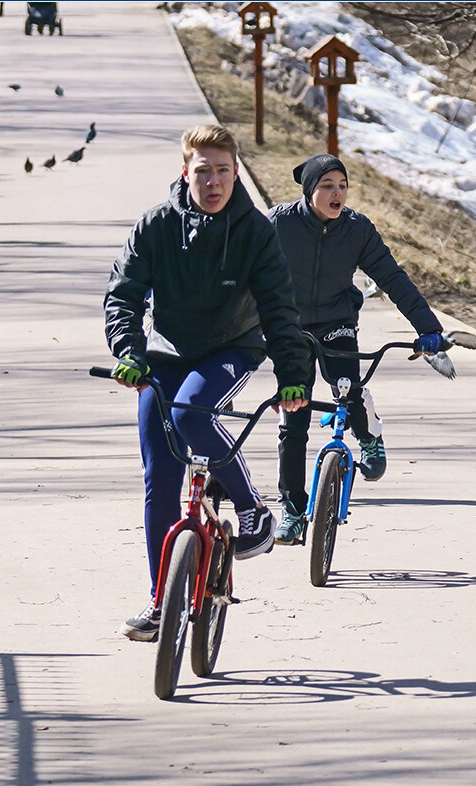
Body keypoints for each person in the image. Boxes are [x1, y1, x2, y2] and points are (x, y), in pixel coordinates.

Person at [104, 124, 311, 641]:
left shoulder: (256, 232)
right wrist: (129, 352)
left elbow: (280, 311)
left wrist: (292, 378)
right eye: (203, 171)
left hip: (231, 347)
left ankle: (252, 510)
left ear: (236, 172)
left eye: (223, 171)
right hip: (165, 354)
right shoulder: (154, 227)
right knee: (160, 483)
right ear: (185, 172)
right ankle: (160, 604)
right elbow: (123, 297)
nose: (213, 182)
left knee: (193, 412)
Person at [266, 154, 444, 544]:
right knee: (293, 416)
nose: (337, 194)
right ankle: (293, 510)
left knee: (347, 384)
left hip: (336, 322)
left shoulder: (356, 229)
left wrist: (428, 328)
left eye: (342, 185)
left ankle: (369, 434)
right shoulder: (278, 223)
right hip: (291, 329)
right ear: (310, 189)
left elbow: (393, 278)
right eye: (327, 185)